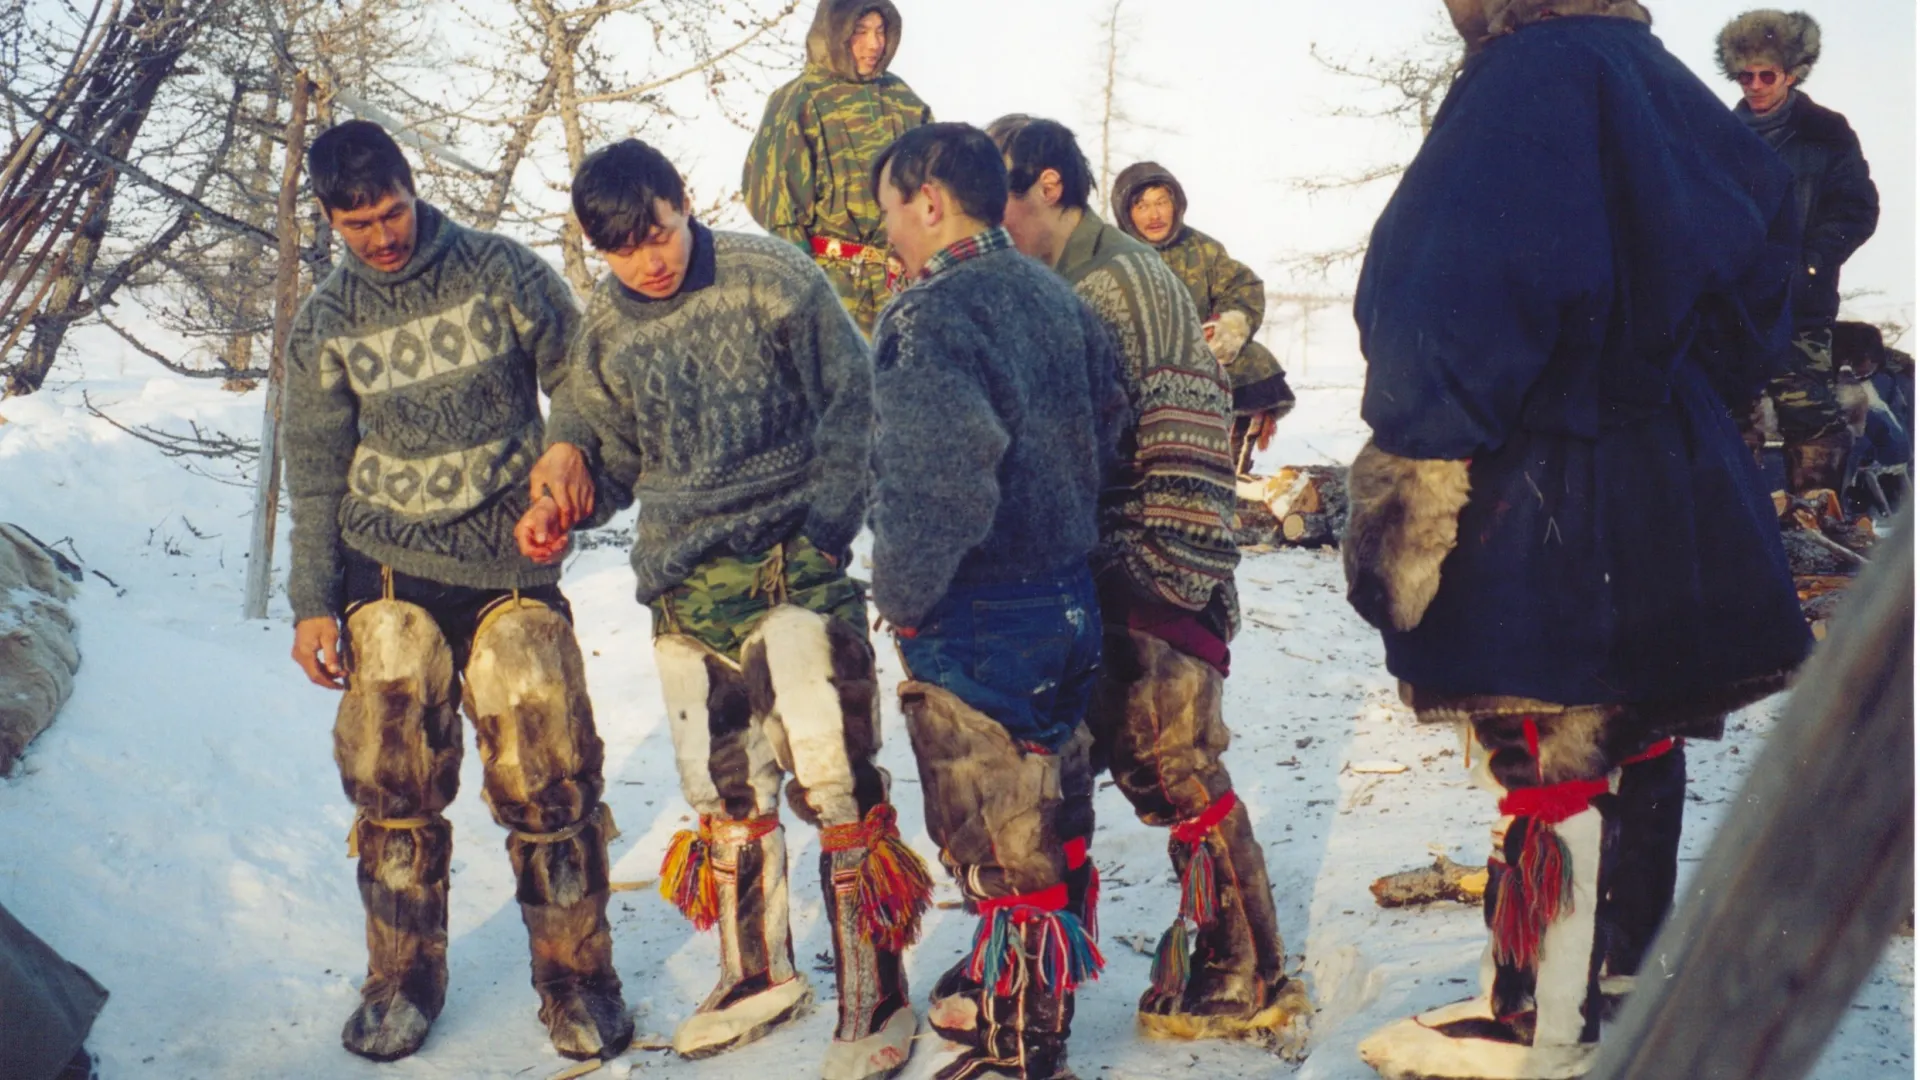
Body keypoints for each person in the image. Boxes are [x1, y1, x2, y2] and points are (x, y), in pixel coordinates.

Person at [1341, 2, 1814, 1076]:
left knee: (1553, 741)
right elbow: (1766, 220)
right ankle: (1613, 987)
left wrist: (1418, 451)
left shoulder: (1525, 74)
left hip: (1548, 464)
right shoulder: (1658, 77)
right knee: (1628, 723)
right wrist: (1694, 382)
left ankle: (1549, 1031)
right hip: (1667, 461)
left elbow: (1452, 275)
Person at [516, 137, 927, 1080]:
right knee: (725, 789)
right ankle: (758, 973)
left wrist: (829, 527)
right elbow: (607, 460)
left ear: (682, 201)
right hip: (685, 584)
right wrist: (562, 501)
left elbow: (853, 402)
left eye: (657, 234)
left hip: (796, 563)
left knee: (833, 775)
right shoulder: (606, 330)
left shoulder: (772, 276)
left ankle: (878, 993)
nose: (649, 261)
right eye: (623, 251)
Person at [281, 120, 632, 1063]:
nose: (380, 237)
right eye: (355, 224)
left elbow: (585, 378)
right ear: (327, 217)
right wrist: (313, 600)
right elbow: (314, 469)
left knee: (547, 766)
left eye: (390, 212)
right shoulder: (325, 323)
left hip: (510, 562)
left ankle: (575, 976)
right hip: (387, 565)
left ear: (412, 186)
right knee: (391, 770)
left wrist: (567, 462)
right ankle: (402, 976)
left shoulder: (502, 272)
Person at [976, 114, 1308, 1048]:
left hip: (1155, 550)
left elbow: (1099, 434)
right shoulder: (1077, 273)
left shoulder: (1105, 282)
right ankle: (1145, 956)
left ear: (1047, 186)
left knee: (1172, 764)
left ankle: (1249, 968)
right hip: (1120, 546)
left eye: (993, 193)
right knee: (1115, 759)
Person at [866, 121, 1127, 1080]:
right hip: (1068, 598)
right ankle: (1035, 1028)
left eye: (891, 211)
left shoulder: (930, 314)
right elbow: (1114, 426)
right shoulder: (1058, 301)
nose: (889, 232)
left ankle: (1021, 1060)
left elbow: (943, 478)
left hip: (978, 610)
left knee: (996, 846)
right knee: (1050, 829)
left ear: (928, 201)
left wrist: (902, 593)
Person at [1719, 9, 1879, 496]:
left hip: (1798, 303)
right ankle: (1742, 530)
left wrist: (1809, 263)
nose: (1755, 85)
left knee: (1807, 411)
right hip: (1732, 305)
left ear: (1791, 73)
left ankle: (1816, 523)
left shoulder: (1827, 133)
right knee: (1730, 412)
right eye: (1745, 75)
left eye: (1767, 74)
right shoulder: (1715, 136)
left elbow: (1858, 208)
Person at [744, 0, 933, 334]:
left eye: (880, 31)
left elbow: (936, 190)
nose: (874, 44)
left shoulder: (903, 99)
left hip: (903, 288)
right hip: (830, 286)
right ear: (835, 33)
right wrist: (801, 299)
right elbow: (779, 211)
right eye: (860, 32)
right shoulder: (799, 99)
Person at [1111, 161, 1296, 474]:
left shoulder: (1203, 249)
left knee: (1254, 359)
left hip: (1196, 353)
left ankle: (1230, 462)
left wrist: (1229, 328)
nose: (1154, 215)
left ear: (1177, 204)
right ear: (1126, 212)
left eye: (1161, 202)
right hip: (1131, 359)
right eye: (1142, 206)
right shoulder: (1111, 252)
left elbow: (1242, 286)